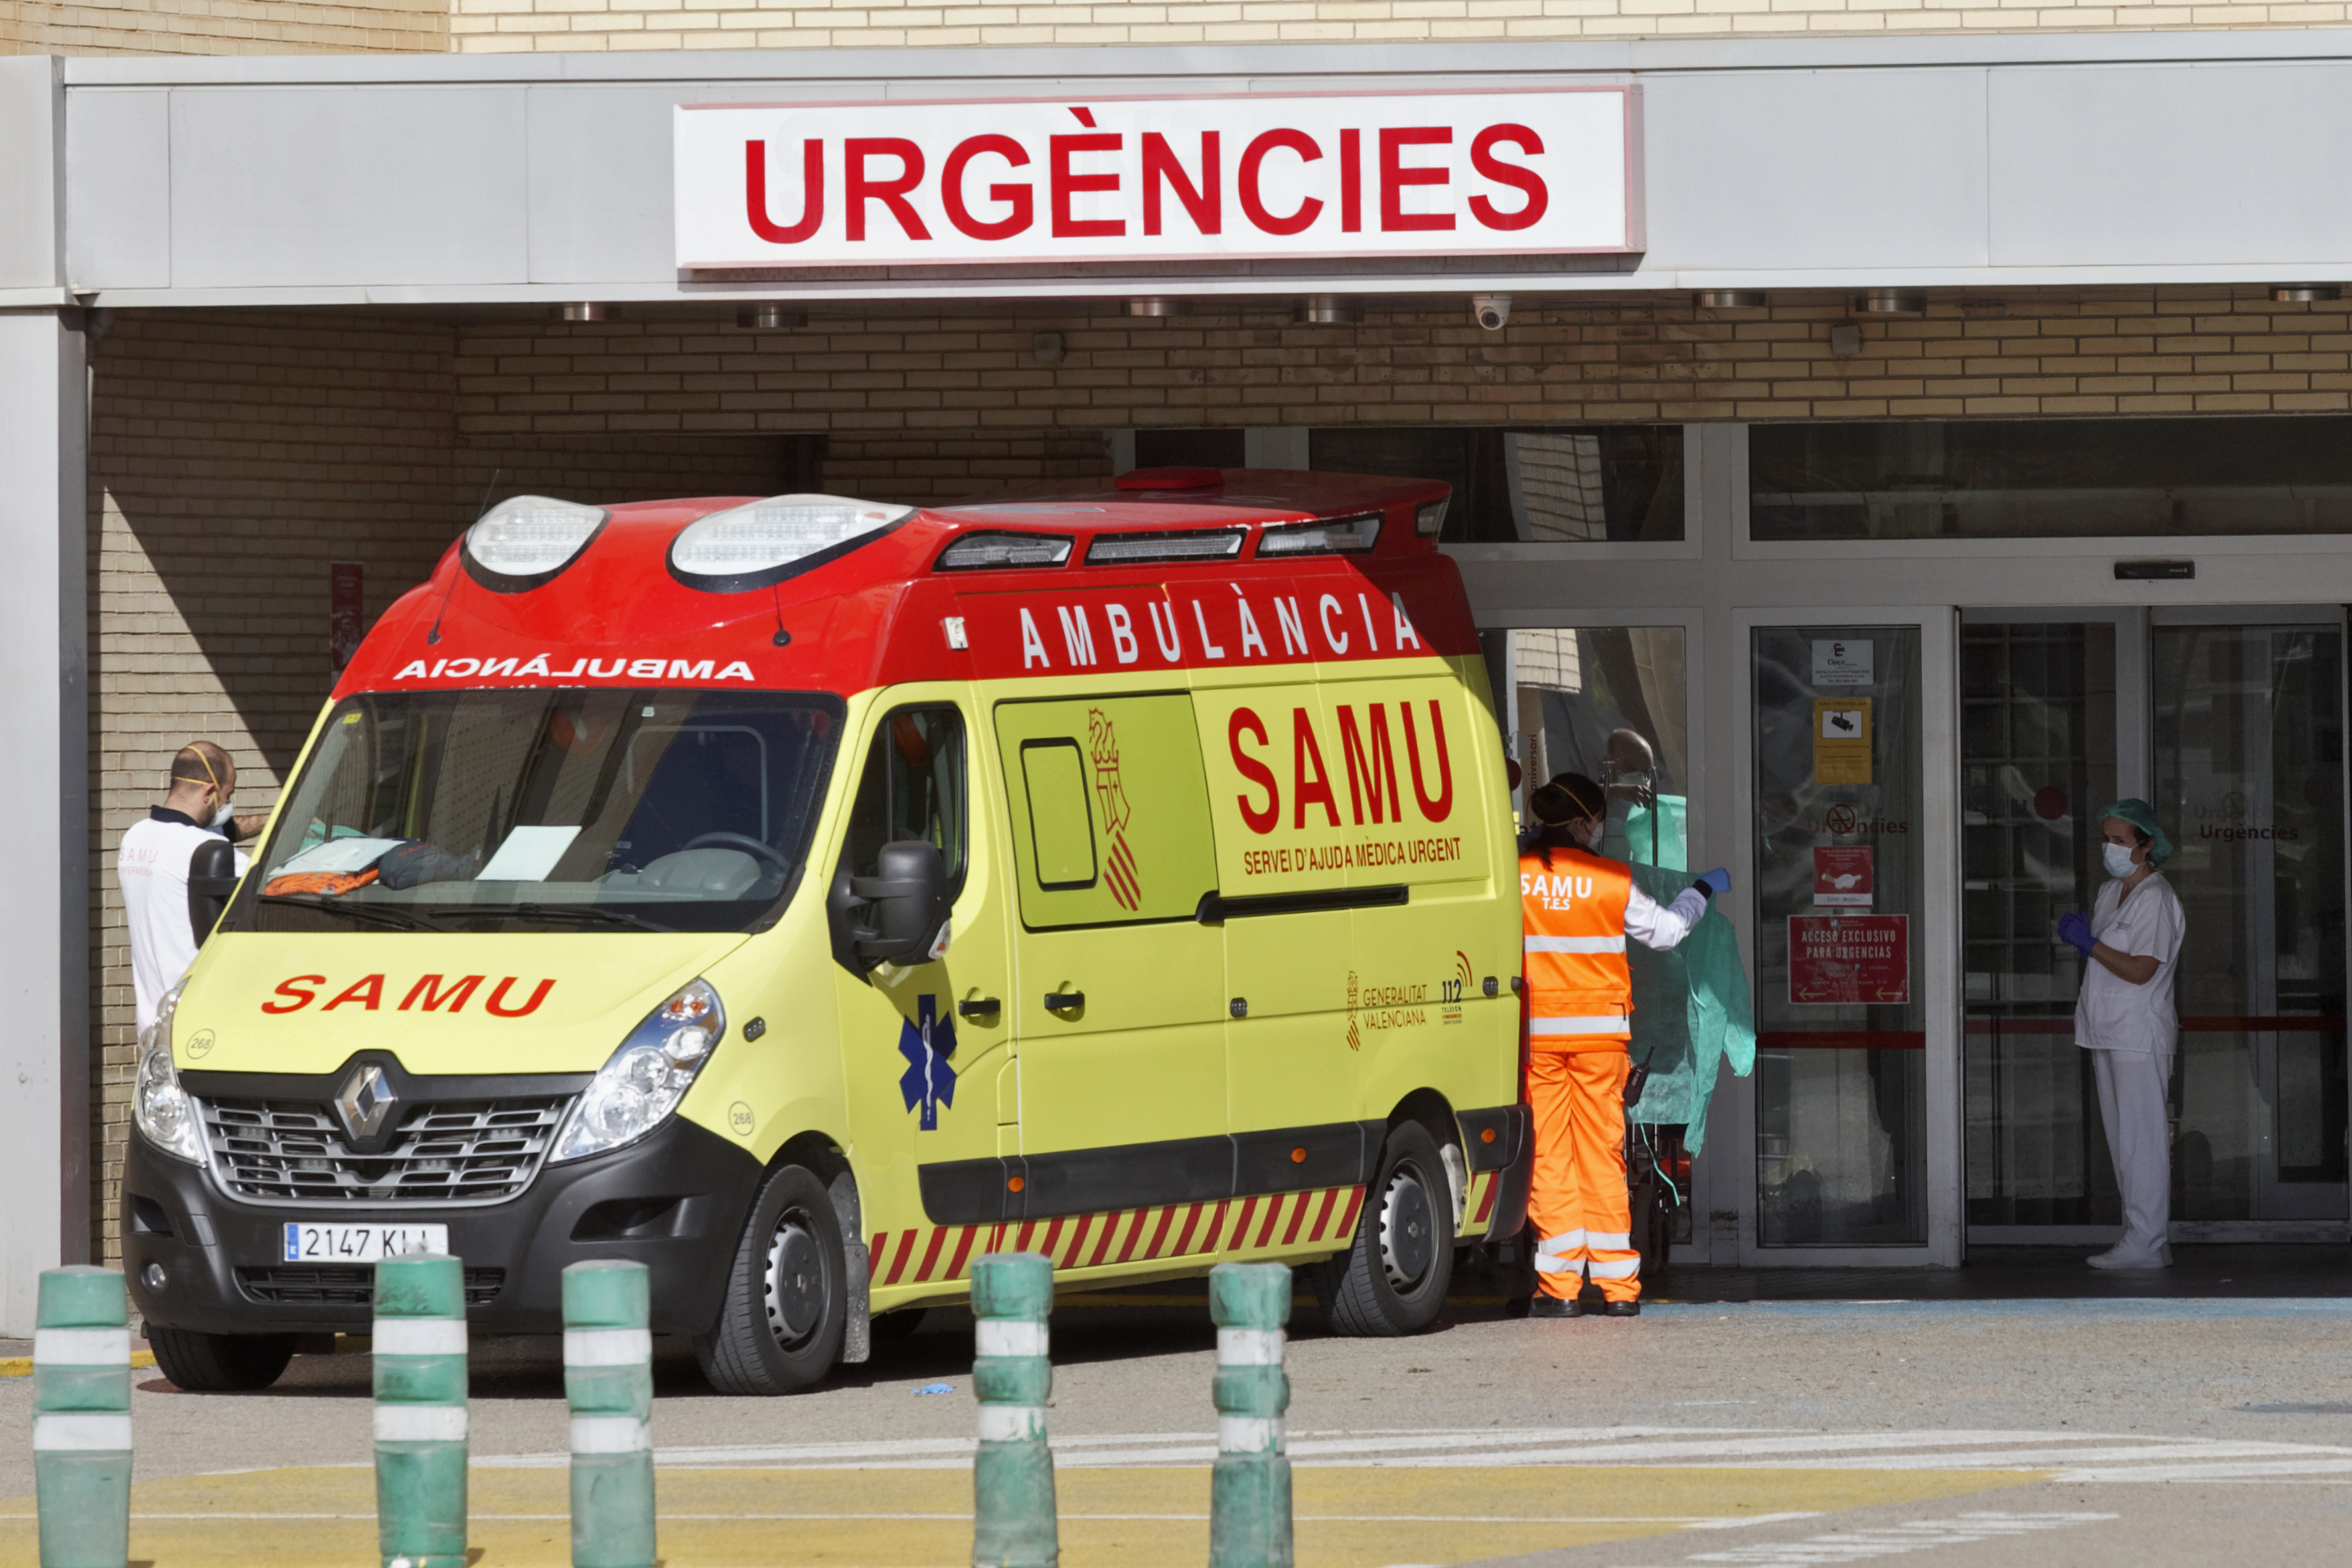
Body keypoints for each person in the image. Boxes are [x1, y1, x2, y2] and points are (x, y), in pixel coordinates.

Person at [1520, 771, 1730, 1318]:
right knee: (1601, 1155)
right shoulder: (1609, 879)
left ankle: (1559, 1289)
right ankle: (1618, 1289)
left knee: (1548, 1157)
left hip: (1536, 1041)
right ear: (1582, 822)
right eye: (1598, 821)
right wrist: (1699, 891)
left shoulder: (1515, 878)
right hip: (1599, 1041)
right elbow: (1665, 932)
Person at [2057, 799, 2184, 1271]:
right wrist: (2090, 943)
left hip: (2138, 1033)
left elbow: (2141, 969)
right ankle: (2146, 1238)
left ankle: (2146, 1241)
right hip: (2106, 1029)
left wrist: (2089, 944)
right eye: (2105, 839)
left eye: (2119, 840)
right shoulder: (2110, 892)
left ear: (2146, 845)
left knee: (2141, 1143)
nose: (2109, 848)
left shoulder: (2157, 898)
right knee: (2122, 1142)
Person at [116, 742, 265, 1036]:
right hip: (199, 1022)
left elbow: (223, 830)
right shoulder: (205, 850)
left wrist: (273, 822)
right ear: (209, 793)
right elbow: (275, 891)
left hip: (152, 1026)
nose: (227, 805)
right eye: (228, 795)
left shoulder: (135, 838)